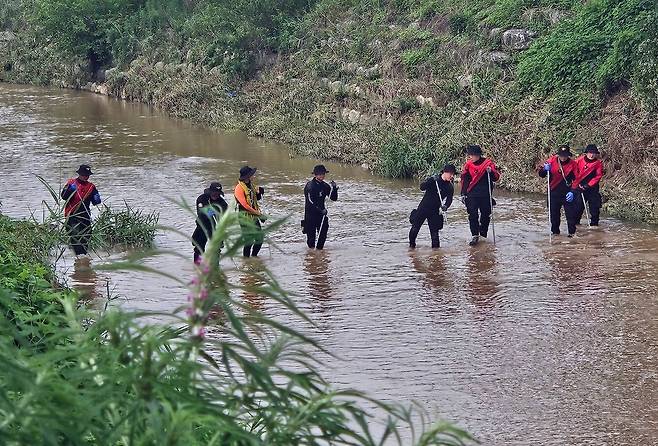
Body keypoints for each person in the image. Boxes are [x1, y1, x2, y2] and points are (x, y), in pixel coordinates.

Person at [460, 145, 500, 246]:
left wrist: (490, 172)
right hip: (472, 194)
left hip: (485, 194)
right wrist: (463, 193)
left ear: (477, 155)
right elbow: (465, 180)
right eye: (469, 155)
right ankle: (474, 235)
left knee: (485, 215)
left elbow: (496, 177)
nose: (470, 157)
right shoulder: (468, 165)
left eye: (472, 155)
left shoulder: (488, 164)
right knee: (472, 215)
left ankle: (483, 234)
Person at [409, 164, 455, 248]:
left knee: (435, 235)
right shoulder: (435, 180)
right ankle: (411, 248)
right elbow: (422, 187)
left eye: (453, 174)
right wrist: (430, 180)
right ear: (444, 172)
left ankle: (436, 256)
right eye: (450, 174)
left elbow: (449, 199)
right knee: (415, 229)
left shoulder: (449, 187)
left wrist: (446, 206)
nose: (451, 176)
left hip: (435, 211)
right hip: (423, 207)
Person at [61, 164, 101, 256]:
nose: (86, 177)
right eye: (84, 175)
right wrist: (70, 190)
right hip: (72, 215)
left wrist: (96, 197)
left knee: (86, 237)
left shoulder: (91, 187)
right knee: (75, 237)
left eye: (87, 175)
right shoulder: (71, 183)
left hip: (85, 215)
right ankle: (79, 258)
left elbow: (96, 202)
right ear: (79, 174)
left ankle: (84, 259)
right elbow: (63, 197)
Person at [538, 145, 578, 237]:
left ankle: (572, 234)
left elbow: (577, 179)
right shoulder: (551, 161)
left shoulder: (573, 164)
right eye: (561, 155)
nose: (563, 157)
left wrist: (573, 191)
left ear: (568, 155)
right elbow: (541, 174)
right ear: (558, 155)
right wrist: (544, 169)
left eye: (565, 155)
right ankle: (555, 233)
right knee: (554, 216)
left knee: (571, 216)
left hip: (567, 193)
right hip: (553, 192)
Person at [303, 165, 338, 250]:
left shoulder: (325, 186)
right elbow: (310, 201)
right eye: (320, 174)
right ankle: (311, 254)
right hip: (311, 215)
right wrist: (320, 210)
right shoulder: (310, 186)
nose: (322, 175)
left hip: (321, 215)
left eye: (323, 174)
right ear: (315, 175)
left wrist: (334, 189)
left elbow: (333, 198)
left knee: (323, 234)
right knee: (311, 238)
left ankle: (319, 252)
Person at [192, 182, 229, 264]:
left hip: (215, 227)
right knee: (199, 247)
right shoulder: (202, 199)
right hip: (203, 224)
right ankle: (198, 265)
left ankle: (215, 266)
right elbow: (201, 212)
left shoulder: (222, 203)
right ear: (210, 192)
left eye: (218, 193)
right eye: (214, 193)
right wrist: (210, 212)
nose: (216, 195)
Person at [234, 166, 266, 257]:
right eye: (251, 175)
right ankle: (247, 261)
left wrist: (260, 193)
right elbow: (245, 205)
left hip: (254, 216)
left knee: (259, 239)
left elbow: (255, 199)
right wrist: (259, 214)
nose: (253, 176)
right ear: (247, 176)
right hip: (244, 217)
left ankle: (254, 257)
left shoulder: (251, 185)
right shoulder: (239, 188)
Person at [572, 144, 604, 226]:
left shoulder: (598, 163)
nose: (592, 155)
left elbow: (598, 176)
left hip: (592, 189)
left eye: (593, 153)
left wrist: (588, 185)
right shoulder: (578, 161)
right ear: (586, 153)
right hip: (579, 187)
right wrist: (577, 183)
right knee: (578, 208)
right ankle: (576, 226)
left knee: (595, 209)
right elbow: (573, 172)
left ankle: (594, 227)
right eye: (590, 152)